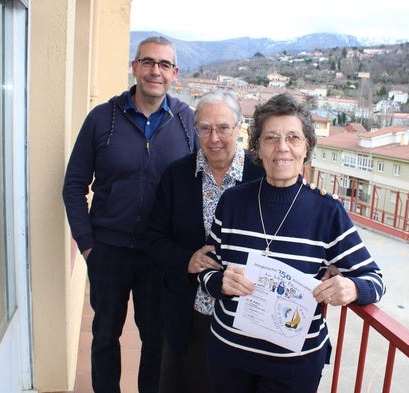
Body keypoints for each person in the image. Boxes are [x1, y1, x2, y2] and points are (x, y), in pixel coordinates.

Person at [198, 92, 386, 393]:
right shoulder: (232, 202)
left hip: (293, 368)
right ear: (258, 146)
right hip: (228, 356)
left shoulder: (327, 212)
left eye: (293, 138)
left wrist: (351, 288)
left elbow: (374, 280)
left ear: (307, 147)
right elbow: (206, 270)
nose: (282, 148)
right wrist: (218, 281)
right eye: (271, 138)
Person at [62, 36, 199, 393]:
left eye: (164, 65)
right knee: (105, 335)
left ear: (175, 74)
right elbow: (73, 185)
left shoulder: (188, 122)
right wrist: (87, 244)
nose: (156, 71)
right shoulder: (102, 119)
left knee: (156, 340)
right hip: (108, 250)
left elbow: (216, 172)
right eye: (148, 62)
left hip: (160, 254)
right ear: (134, 67)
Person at [145, 90, 264, 393]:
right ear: (196, 129)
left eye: (223, 128)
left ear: (240, 128)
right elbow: (154, 238)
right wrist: (187, 259)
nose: (214, 138)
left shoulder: (262, 177)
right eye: (205, 128)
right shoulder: (176, 175)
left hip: (246, 318)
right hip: (190, 312)